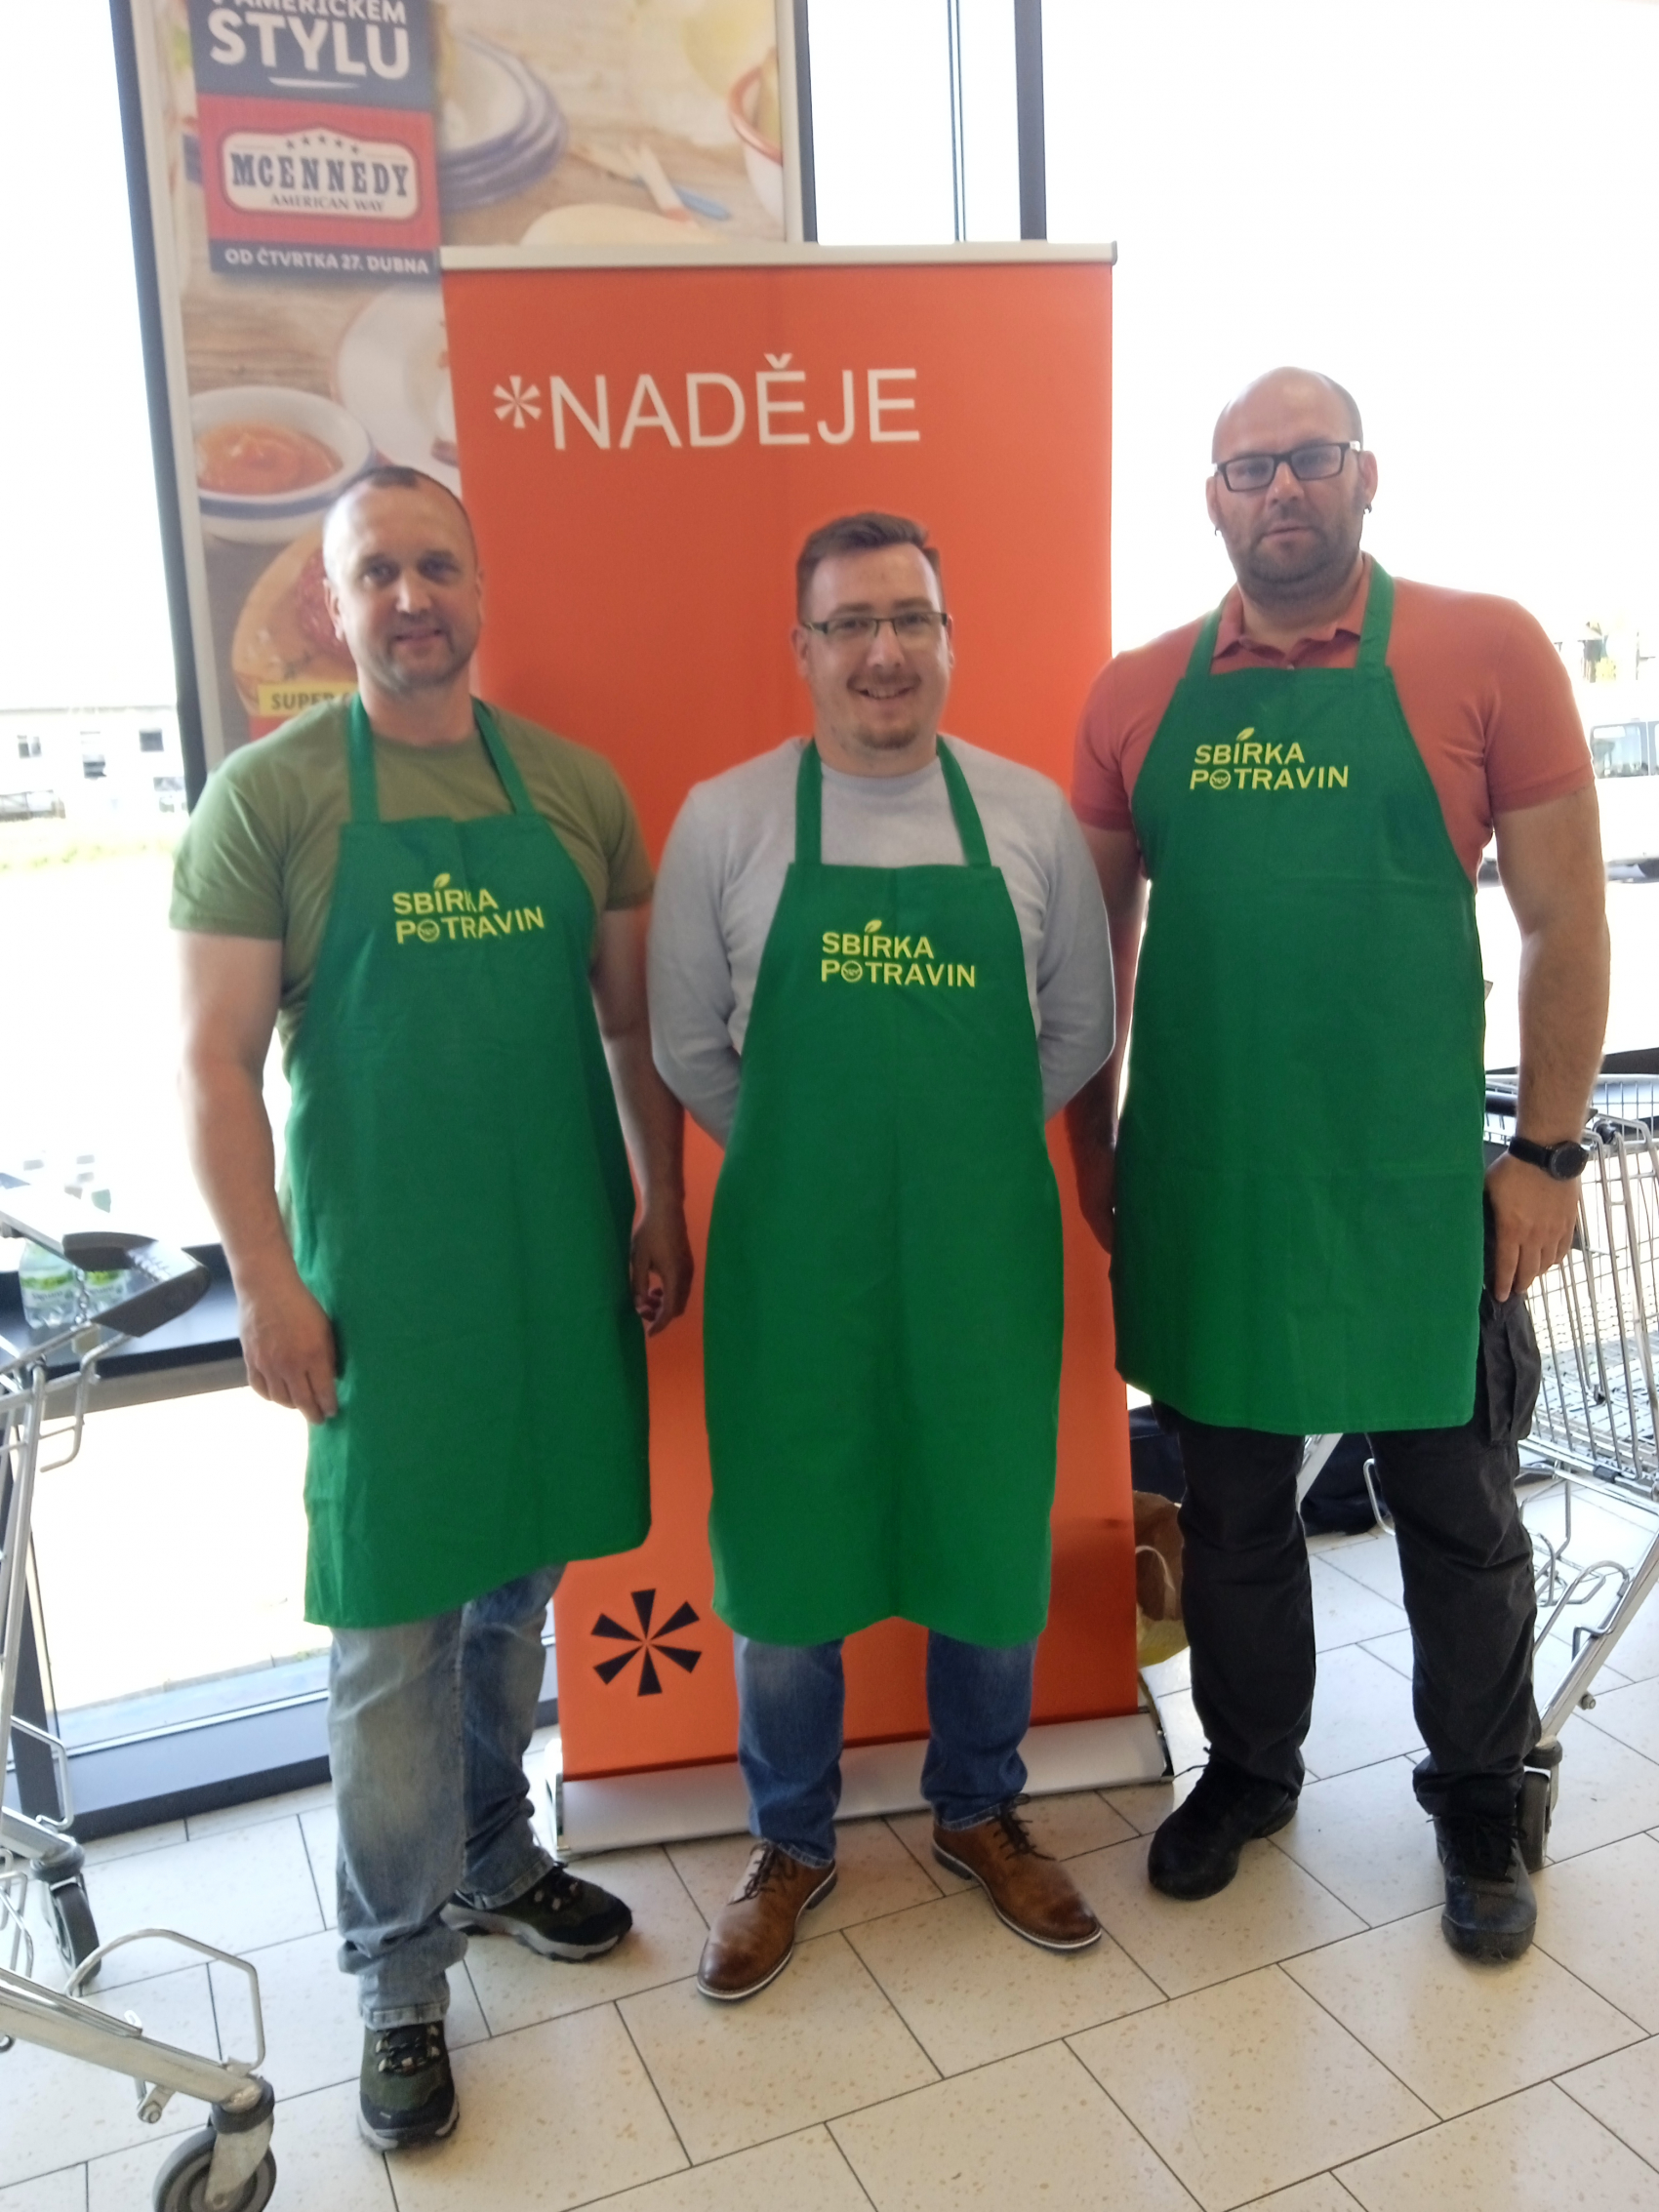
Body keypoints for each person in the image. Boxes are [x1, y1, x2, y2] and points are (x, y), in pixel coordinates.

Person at [173, 466, 692, 2147]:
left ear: (480, 588)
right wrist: (267, 1282)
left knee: (517, 1588)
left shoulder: (573, 789)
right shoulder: (269, 799)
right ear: (333, 605)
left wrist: (661, 1200)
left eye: (438, 566)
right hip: (381, 1293)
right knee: (391, 1632)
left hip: (551, 1269)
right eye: (377, 572)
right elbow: (212, 1065)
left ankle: (490, 1852)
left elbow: (631, 1027)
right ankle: (398, 1977)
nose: (412, 597)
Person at [1069, 368, 1609, 1963]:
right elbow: (1090, 958)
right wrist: (1090, 1146)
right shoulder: (1135, 693)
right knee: (1235, 1518)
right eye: (1249, 468)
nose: (1281, 489)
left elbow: (1566, 919)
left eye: (1310, 458)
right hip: (1212, 1184)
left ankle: (1480, 1801)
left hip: (1414, 1189)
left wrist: (1548, 1152)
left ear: (1366, 475)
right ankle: (1250, 1771)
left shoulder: (1487, 648)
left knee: (1458, 1518)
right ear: (1213, 499)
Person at [650, 510, 1114, 2000]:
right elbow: (685, 1043)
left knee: (986, 1531)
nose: (883, 651)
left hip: (982, 1256)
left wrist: (959, 1144)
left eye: (911, 618)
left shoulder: (1027, 816)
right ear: (804, 649)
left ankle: (979, 1807)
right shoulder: (727, 821)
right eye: (850, 622)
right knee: (790, 1553)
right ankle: (790, 1840)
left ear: (949, 640)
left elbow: (1080, 1027)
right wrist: (813, 1153)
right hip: (796, 1264)